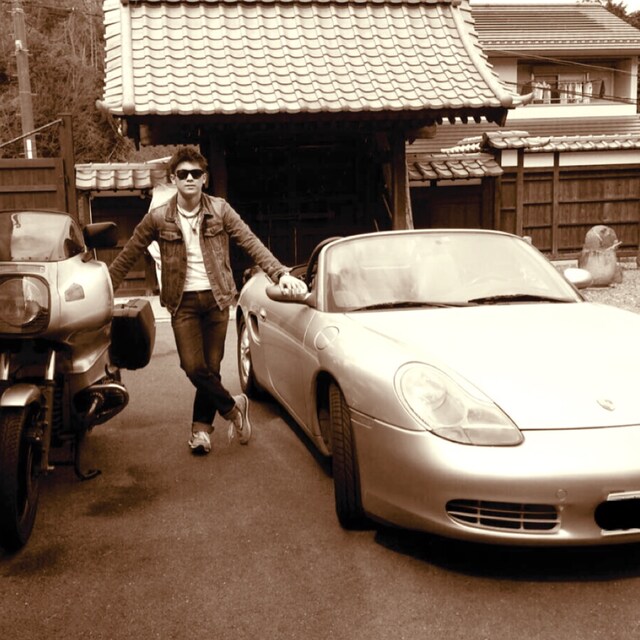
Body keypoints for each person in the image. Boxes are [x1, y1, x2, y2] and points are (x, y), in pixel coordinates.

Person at [108, 146, 307, 455]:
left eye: (195, 173)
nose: (189, 178)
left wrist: (280, 273)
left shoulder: (221, 210)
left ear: (205, 179)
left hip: (217, 299)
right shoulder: (158, 218)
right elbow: (129, 254)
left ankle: (201, 431)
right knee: (192, 366)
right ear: (173, 179)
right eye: (183, 174)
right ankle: (233, 408)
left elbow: (251, 242)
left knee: (211, 369)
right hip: (182, 302)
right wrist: (105, 286)